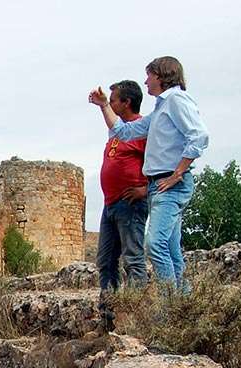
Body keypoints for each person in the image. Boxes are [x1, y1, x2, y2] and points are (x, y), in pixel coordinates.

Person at [88, 56, 209, 288]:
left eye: (149, 75)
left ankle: (166, 310)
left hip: (169, 183)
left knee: (155, 244)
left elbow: (199, 136)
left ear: (161, 76)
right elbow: (125, 132)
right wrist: (104, 106)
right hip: (158, 185)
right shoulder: (162, 107)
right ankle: (182, 303)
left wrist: (177, 173)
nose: (145, 81)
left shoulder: (176, 100)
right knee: (172, 249)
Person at [91, 80, 149, 292]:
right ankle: (109, 315)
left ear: (127, 102)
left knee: (133, 259)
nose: (110, 103)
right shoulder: (118, 131)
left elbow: (160, 163)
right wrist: (103, 106)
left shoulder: (143, 130)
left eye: (113, 100)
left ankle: (136, 318)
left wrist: (145, 190)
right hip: (110, 205)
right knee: (105, 261)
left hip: (130, 204)